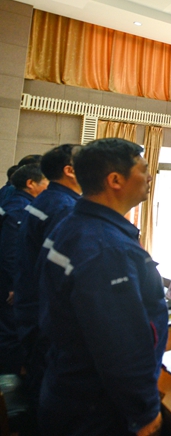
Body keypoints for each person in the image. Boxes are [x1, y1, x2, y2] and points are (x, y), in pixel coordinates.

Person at [39, 138, 166, 436]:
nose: (150, 177)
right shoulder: (106, 249)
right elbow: (120, 343)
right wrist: (144, 411)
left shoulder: (74, 224)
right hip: (96, 406)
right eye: (144, 169)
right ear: (115, 180)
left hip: (67, 382)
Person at [15, 145, 81, 410]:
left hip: (31, 304)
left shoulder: (48, 199)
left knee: (38, 375)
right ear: (70, 170)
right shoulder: (64, 207)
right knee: (47, 385)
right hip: (46, 313)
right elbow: (61, 273)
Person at [0, 163, 49, 374]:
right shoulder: (20, 208)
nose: (48, 186)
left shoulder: (12, 201)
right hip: (9, 282)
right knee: (10, 331)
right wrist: (13, 285)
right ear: (31, 183)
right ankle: (9, 381)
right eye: (45, 182)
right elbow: (11, 251)